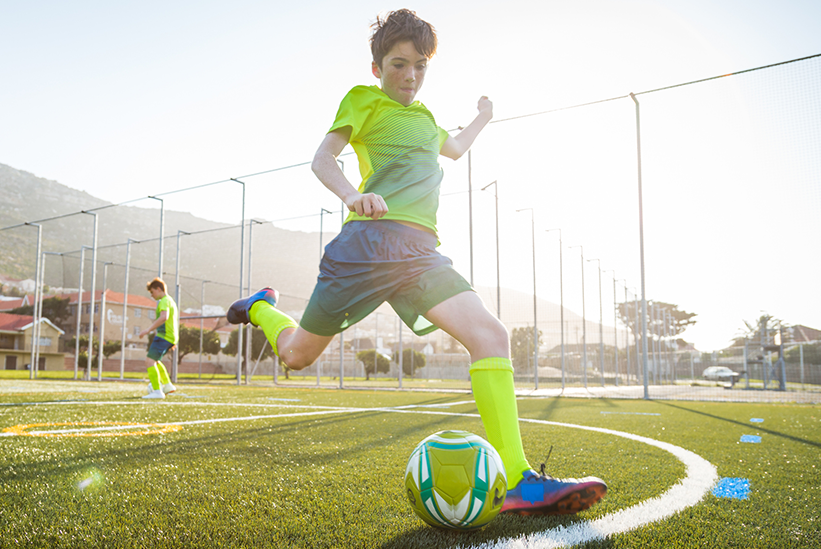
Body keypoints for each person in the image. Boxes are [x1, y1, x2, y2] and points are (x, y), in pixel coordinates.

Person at [228, 9, 606, 516]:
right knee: (296, 356)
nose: (409, 76)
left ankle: (517, 481)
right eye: (398, 64)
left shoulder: (427, 118)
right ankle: (260, 307)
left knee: (491, 336)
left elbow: (454, 148)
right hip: (364, 248)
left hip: (420, 253)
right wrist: (352, 195)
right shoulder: (362, 100)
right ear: (377, 67)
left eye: (419, 66)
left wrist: (484, 117)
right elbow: (322, 159)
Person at [138, 278, 178, 399]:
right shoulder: (171, 301)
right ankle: (167, 385)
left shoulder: (164, 301)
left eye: (152, 292)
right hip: (170, 337)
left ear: (158, 289)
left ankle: (157, 391)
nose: (151, 295)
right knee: (155, 361)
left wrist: (148, 330)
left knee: (149, 361)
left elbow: (164, 317)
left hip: (163, 336)